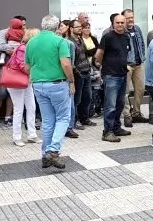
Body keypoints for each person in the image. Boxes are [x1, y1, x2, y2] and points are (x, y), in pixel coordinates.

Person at [25, 15, 72, 169]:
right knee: (63, 118)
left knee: (47, 120)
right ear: (57, 26)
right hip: (57, 83)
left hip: (38, 84)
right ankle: (53, 150)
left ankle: (45, 153)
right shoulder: (60, 41)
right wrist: (71, 80)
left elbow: (27, 67)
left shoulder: (31, 42)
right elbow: (65, 64)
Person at [95, 14, 133, 142]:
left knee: (120, 104)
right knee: (110, 105)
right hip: (111, 75)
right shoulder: (108, 37)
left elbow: (124, 54)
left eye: (122, 22)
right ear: (113, 23)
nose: (120, 25)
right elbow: (99, 54)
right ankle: (107, 132)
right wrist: (100, 64)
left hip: (122, 74)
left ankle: (116, 128)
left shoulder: (126, 37)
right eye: (118, 23)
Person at [6, 29, 40, 147]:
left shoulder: (27, 48)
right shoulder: (22, 48)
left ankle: (32, 134)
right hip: (18, 81)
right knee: (19, 109)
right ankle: (17, 136)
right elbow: (22, 66)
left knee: (31, 107)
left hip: (26, 81)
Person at [121, 9, 149, 126]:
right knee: (125, 92)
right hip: (127, 65)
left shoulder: (137, 28)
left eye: (132, 17)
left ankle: (136, 113)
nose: (130, 20)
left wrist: (142, 57)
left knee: (140, 89)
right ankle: (127, 115)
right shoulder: (121, 31)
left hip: (138, 64)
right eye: (128, 18)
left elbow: (142, 44)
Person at [69, 21, 97, 128]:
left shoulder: (80, 39)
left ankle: (85, 119)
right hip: (78, 73)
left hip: (86, 71)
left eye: (81, 27)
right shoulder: (69, 42)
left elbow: (85, 54)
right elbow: (71, 60)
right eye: (77, 27)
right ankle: (75, 121)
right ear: (71, 28)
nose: (80, 29)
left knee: (87, 97)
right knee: (77, 99)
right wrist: (77, 72)